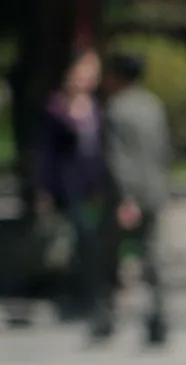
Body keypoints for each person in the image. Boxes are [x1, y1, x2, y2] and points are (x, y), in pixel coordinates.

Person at [35, 47, 110, 339]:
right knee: (76, 242)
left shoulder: (97, 107)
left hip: (95, 187)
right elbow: (47, 154)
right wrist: (44, 189)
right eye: (84, 70)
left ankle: (94, 298)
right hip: (69, 186)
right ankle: (77, 297)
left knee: (93, 244)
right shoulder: (57, 107)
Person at [101, 48, 172, 349]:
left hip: (126, 195)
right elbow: (164, 149)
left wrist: (126, 197)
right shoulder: (153, 106)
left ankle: (107, 317)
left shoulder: (116, 109)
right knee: (153, 256)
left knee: (109, 257)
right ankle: (159, 316)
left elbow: (118, 159)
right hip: (155, 190)